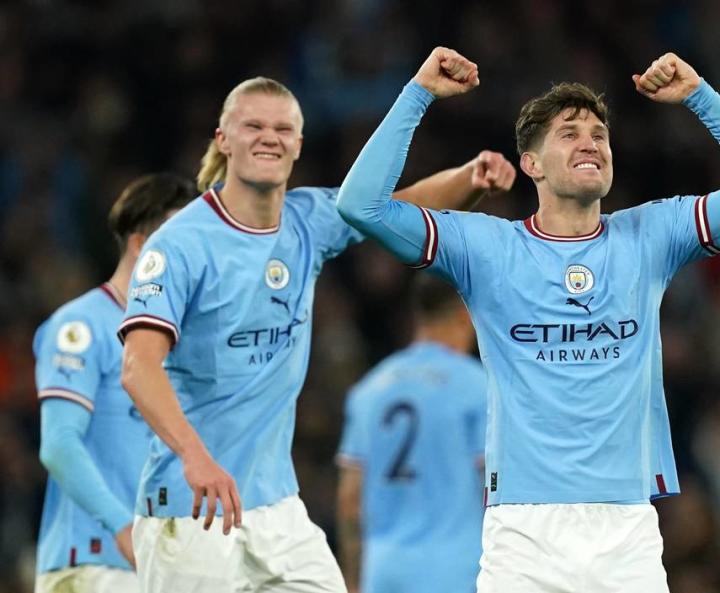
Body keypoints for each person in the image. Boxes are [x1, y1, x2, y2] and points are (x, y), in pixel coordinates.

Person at [336, 47, 720, 592]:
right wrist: (418, 94)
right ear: (531, 164)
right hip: (524, 532)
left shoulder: (651, 236)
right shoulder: (486, 248)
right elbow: (361, 206)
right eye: (569, 133)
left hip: (626, 529)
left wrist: (699, 96)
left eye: (600, 135)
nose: (590, 143)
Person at [117, 76, 514, 593]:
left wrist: (470, 178)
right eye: (253, 125)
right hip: (190, 508)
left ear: (299, 144)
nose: (269, 136)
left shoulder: (307, 220)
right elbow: (137, 366)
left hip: (277, 509)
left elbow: (398, 204)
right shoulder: (180, 245)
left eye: (283, 127)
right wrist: (196, 457)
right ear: (222, 139)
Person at [33, 173, 196, 593]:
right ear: (142, 245)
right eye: (181, 244)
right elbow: (59, 445)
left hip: (158, 567)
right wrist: (124, 528)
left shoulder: (179, 341)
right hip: (91, 564)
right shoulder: (81, 325)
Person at [336, 274, 486, 593]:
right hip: (455, 570)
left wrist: (354, 580)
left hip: (385, 571)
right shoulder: (478, 388)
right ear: (465, 316)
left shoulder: (370, 388)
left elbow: (350, 499)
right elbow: (494, 484)